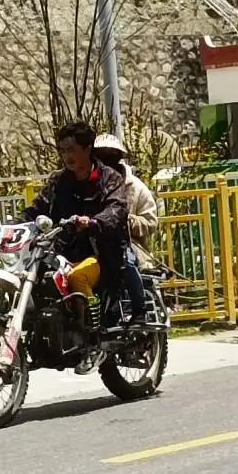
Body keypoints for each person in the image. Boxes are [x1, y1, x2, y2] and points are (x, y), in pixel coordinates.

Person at [20, 121, 147, 329]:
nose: (66, 156)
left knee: (78, 277)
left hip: (102, 252)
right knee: (40, 279)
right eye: (62, 151)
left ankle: (91, 327)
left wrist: (94, 222)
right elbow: (37, 208)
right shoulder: (58, 181)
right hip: (64, 251)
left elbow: (116, 209)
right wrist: (13, 225)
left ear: (87, 149)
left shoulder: (110, 179)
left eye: (71, 149)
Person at [92, 132, 159, 271]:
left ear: (118, 158)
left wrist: (126, 220)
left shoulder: (136, 187)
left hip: (130, 252)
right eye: (100, 156)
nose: (105, 162)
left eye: (111, 157)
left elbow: (150, 223)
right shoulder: (85, 185)